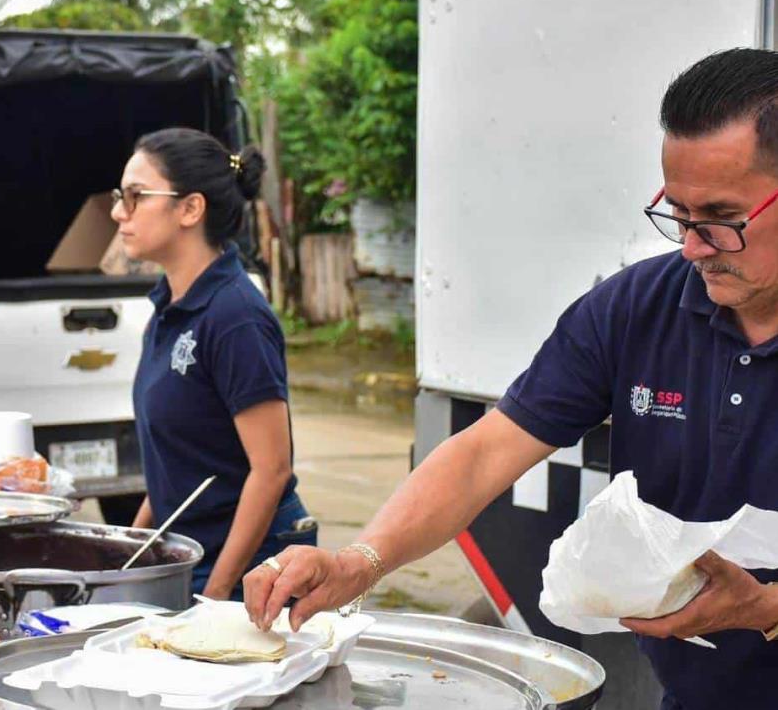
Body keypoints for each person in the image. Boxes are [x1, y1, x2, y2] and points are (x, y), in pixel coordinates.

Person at [243, 48, 778, 710]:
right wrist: (360, 560)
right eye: (677, 213)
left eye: (721, 219)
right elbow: (484, 452)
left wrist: (765, 607)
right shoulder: (636, 307)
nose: (692, 246)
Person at [111, 127, 316, 601]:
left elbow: (272, 470)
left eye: (137, 196)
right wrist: (130, 556)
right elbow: (175, 467)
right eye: (121, 195)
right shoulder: (168, 306)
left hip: (249, 569)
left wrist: (217, 596)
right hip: (191, 556)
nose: (120, 212)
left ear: (190, 208)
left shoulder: (235, 316)